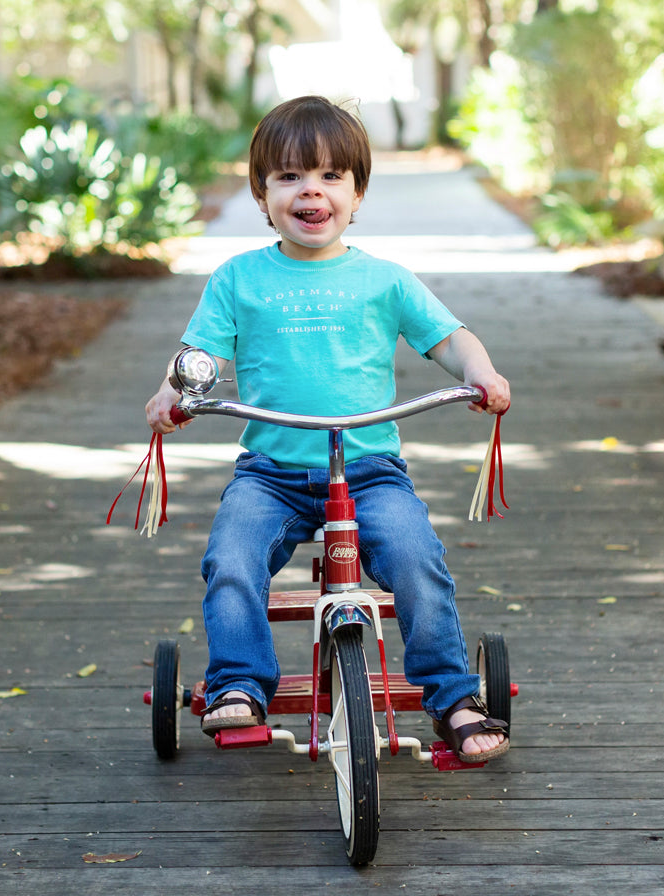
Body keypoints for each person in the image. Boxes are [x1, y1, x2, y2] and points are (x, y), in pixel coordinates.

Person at [146, 95, 510, 762]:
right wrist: (172, 393)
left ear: (357, 192)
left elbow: (450, 339)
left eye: (330, 176)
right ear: (261, 195)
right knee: (232, 558)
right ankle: (238, 684)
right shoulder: (239, 279)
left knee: (416, 558)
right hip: (272, 472)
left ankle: (454, 695)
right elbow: (199, 358)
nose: (310, 191)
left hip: (370, 470)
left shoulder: (383, 280)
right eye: (288, 177)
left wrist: (481, 373)